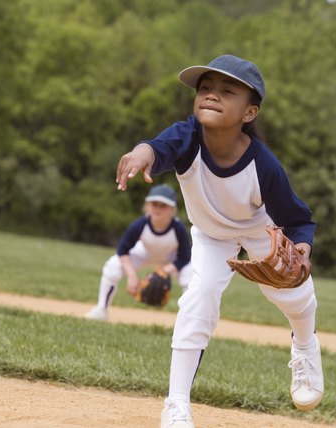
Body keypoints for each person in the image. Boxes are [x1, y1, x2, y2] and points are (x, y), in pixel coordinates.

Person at [115, 54, 323, 428]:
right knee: (200, 294)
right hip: (212, 234)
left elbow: (297, 219)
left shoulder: (264, 166)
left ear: (249, 113)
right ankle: (176, 405)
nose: (211, 95)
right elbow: (158, 148)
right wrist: (141, 153)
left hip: (261, 229)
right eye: (206, 88)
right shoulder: (187, 135)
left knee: (289, 292)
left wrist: (302, 249)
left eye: (227, 91)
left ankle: (305, 345)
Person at [85, 184, 193, 322]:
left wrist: (163, 272)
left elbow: (184, 257)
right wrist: (131, 276)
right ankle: (101, 310)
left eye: (163, 205)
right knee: (113, 266)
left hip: (170, 258)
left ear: (172, 209)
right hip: (145, 252)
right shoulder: (140, 224)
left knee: (190, 277)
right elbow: (123, 249)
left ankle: (187, 322)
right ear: (147, 205)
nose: (158, 209)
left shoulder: (178, 228)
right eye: (154, 204)